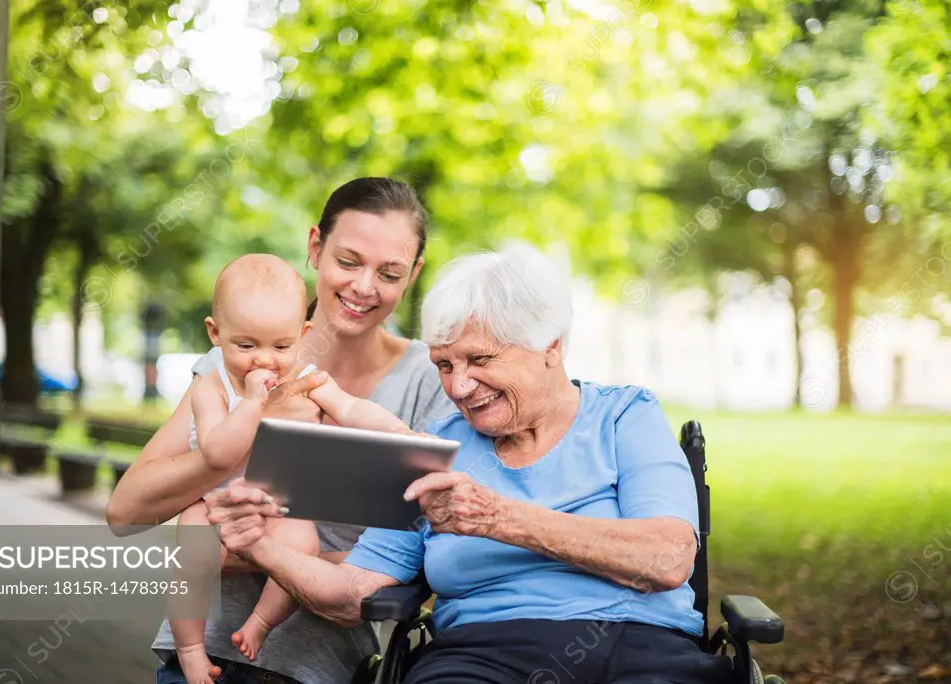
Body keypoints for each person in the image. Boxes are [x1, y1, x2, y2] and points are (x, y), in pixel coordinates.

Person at [203, 245, 735, 684]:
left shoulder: (623, 416)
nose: (458, 386)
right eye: (443, 365)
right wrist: (258, 543)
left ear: (549, 345)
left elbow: (667, 558)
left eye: (480, 360)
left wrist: (499, 519)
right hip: (481, 656)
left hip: (642, 647)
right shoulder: (433, 448)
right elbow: (354, 595)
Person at [106, 177, 454, 684]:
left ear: (413, 274)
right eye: (349, 261)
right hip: (205, 652)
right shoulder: (229, 363)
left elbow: (421, 550)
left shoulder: (430, 378)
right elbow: (125, 511)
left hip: (320, 668)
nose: (363, 287)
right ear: (316, 247)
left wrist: (246, 549)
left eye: (390, 272)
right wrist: (222, 461)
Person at [172, 252, 416, 684]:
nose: (264, 360)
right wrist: (252, 403)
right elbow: (217, 453)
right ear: (215, 333)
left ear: (302, 335)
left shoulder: (308, 378)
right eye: (245, 345)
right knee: (191, 541)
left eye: (281, 346)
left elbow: (355, 410)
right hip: (219, 506)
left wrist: (403, 434)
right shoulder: (211, 385)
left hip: (275, 507)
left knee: (302, 540)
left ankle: (261, 623)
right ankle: (189, 648)